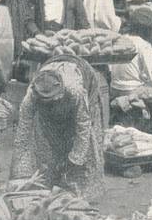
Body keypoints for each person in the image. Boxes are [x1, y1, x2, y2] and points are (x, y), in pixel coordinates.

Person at [11, 55, 107, 197]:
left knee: (87, 148)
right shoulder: (30, 97)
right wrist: (20, 175)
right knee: (48, 144)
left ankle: (83, 193)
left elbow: (83, 127)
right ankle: (53, 183)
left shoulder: (75, 91)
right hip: (55, 104)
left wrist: (74, 159)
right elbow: (22, 136)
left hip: (84, 82)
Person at [0, 0, 40, 69]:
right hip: (5, 31)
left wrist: (35, 31)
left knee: (19, 53)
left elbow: (28, 17)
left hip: (20, 31)